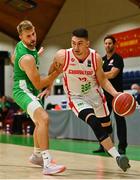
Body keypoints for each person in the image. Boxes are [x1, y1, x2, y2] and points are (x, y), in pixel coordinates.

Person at [44, 28, 130, 172]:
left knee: (107, 127)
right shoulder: (63, 56)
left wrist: (115, 94)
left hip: (96, 96)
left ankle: (108, 142)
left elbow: (102, 80)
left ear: (87, 43)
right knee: (93, 121)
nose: (76, 47)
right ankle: (117, 157)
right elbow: (52, 70)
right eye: (73, 43)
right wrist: (48, 87)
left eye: (80, 43)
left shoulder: (95, 58)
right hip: (76, 97)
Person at [12, 20, 66, 175]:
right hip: (23, 91)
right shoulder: (27, 58)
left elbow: (13, 58)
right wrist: (56, 73)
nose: (33, 38)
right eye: (28, 36)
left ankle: (36, 156)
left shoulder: (25, 46)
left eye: (33, 33)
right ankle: (47, 163)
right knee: (44, 119)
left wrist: (37, 54)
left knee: (38, 122)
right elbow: (38, 84)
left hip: (29, 89)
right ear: (21, 36)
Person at [93, 35, 127, 155]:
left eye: (110, 43)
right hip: (104, 96)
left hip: (117, 96)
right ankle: (103, 146)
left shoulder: (118, 58)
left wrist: (99, 75)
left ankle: (122, 147)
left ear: (114, 45)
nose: (107, 45)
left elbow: (112, 74)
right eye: (106, 43)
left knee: (120, 122)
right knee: (103, 121)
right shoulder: (101, 60)